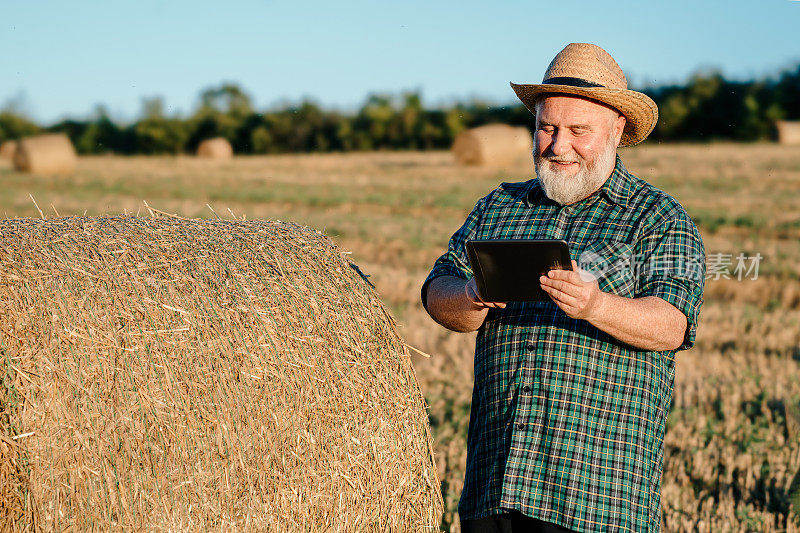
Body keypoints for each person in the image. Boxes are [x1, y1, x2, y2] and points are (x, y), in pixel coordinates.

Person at [422, 43, 705, 532]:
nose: (557, 146)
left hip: (595, 498)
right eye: (547, 128)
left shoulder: (657, 218)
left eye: (579, 131)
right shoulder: (499, 207)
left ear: (617, 128)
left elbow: (672, 326)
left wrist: (596, 305)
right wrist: (470, 296)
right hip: (496, 485)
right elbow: (436, 290)